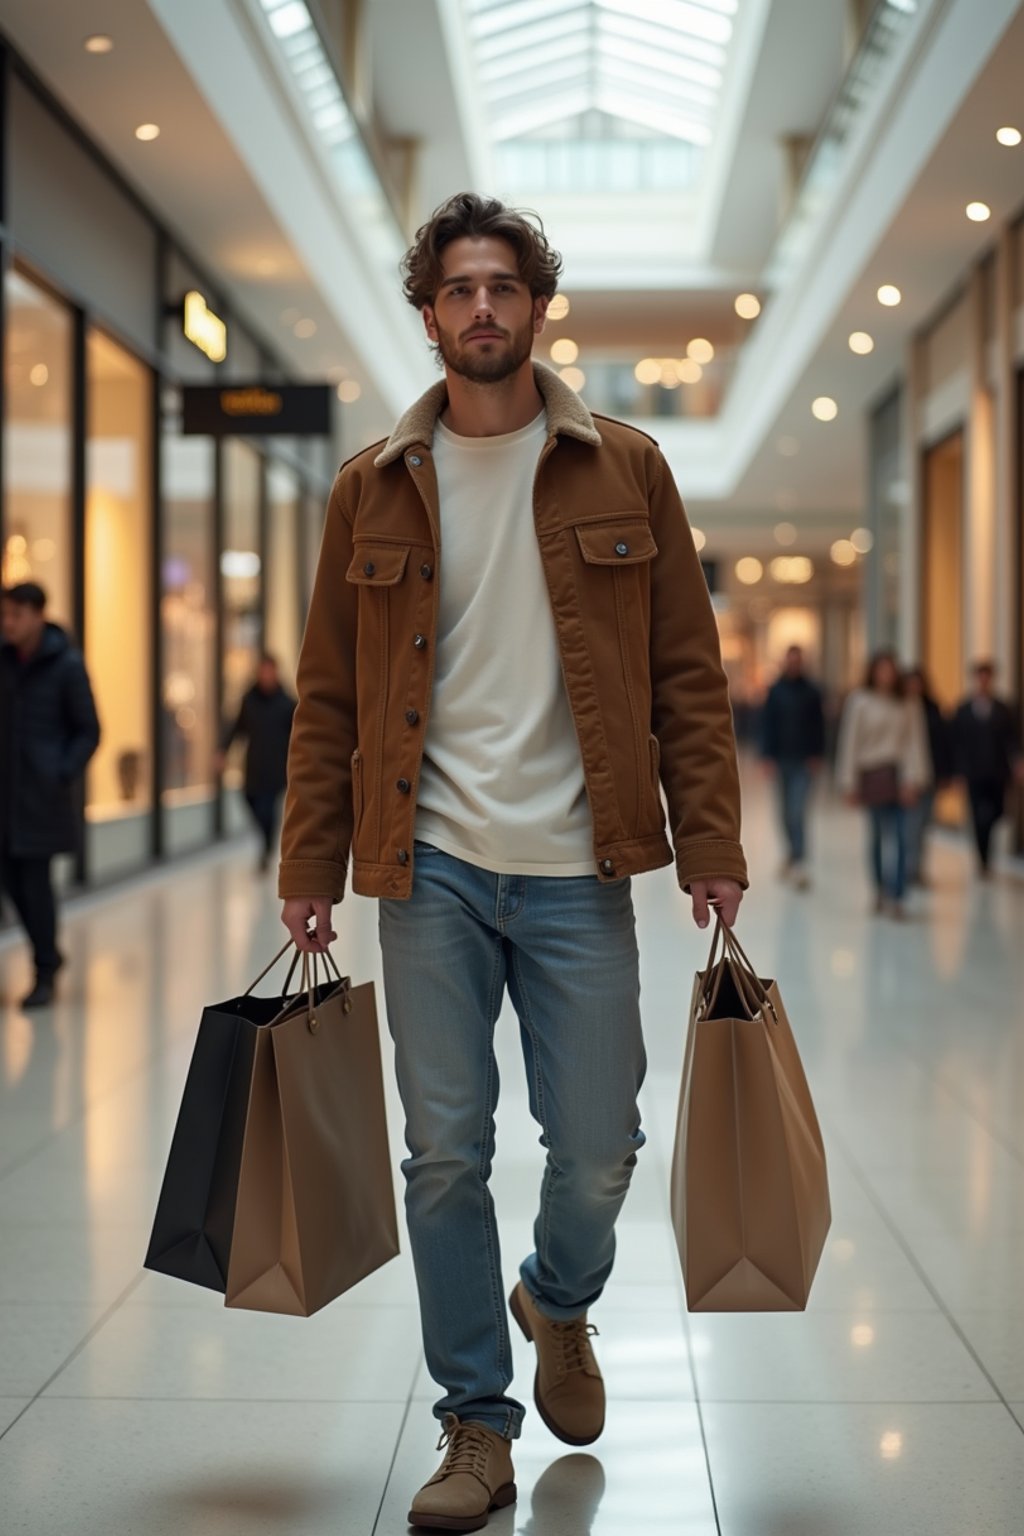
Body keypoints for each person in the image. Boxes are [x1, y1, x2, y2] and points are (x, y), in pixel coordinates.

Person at [277, 192, 747, 1532]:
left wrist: (709, 841)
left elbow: (687, 678)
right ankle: (475, 1425)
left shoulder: (627, 466)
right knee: (443, 1155)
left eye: (504, 288)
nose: (481, 309)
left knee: (599, 1147)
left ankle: (560, 1295)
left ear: (536, 307)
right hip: (426, 873)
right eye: (457, 290)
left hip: (578, 870)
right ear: (427, 312)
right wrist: (309, 859)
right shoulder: (371, 482)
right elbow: (327, 698)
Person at [0, 582, 100, 1009]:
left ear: (38, 615)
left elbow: (89, 730)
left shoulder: (67, 665)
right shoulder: (3, 661)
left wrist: (59, 771)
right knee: (11, 884)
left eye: (16, 615)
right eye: (5, 615)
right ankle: (49, 955)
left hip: (40, 797)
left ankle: (44, 970)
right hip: (5, 797)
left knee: (35, 887)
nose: (8, 623)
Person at [835, 650, 929, 919]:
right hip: (872, 776)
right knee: (876, 836)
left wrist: (914, 779)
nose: (886, 675)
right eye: (881, 669)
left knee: (901, 837)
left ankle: (897, 896)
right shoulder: (860, 701)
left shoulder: (908, 702)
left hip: (899, 775)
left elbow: (915, 743)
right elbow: (850, 742)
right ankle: (879, 889)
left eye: (890, 669)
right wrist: (848, 782)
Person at [215, 654, 295, 874]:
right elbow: (237, 727)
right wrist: (223, 750)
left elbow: (298, 737)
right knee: (250, 800)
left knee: (268, 810)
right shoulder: (249, 701)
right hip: (253, 766)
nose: (266, 675)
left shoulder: (287, 703)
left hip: (277, 768)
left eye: (270, 670)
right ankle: (266, 840)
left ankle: (266, 850)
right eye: (263, 670)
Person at [760, 644, 825, 889]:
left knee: (798, 811)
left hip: (804, 760)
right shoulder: (776, 691)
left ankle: (799, 860)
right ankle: (789, 852)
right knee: (784, 812)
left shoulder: (812, 691)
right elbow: (767, 724)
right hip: (781, 759)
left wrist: (818, 754)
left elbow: (819, 726)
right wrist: (766, 755)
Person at [951, 660, 1023, 877]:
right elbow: (957, 744)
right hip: (974, 773)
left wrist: (1017, 762)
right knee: (978, 816)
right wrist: (958, 772)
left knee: (996, 813)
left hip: (997, 772)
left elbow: (1012, 739)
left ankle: (986, 854)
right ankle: (983, 860)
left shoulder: (1003, 709)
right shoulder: (963, 710)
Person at [902, 667, 953, 887]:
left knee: (924, 824)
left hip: (931, 774)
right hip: (910, 778)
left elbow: (943, 744)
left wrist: (945, 773)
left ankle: (918, 867)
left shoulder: (933, 709)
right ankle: (908, 868)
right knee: (910, 826)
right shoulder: (900, 708)